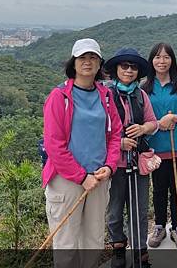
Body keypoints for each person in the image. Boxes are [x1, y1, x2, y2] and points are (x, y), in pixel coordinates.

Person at [42, 38, 122, 268]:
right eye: (82, 57)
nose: (87, 62)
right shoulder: (59, 97)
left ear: (99, 65)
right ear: (73, 63)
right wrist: (80, 177)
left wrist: (109, 166)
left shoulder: (105, 96)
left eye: (93, 58)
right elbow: (54, 145)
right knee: (66, 243)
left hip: (98, 178)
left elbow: (115, 134)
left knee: (94, 241)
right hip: (66, 181)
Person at [104, 48, 158, 268]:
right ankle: (118, 246)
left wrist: (143, 128)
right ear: (116, 69)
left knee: (139, 212)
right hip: (114, 164)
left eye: (133, 67)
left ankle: (139, 253)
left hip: (137, 163)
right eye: (124, 66)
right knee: (115, 211)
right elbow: (99, 129)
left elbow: (153, 124)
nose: (128, 70)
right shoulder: (105, 95)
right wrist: (119, 142)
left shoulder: (140, 95)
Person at [142, 43, 177, 251]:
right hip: (156, 147)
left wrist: (174, 117)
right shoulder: (144, 87)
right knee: (159, 189)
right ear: (151, 61)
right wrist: (156, 124)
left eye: (166, 57)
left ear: (172, 60)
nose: (161, 61)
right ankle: (159, 226)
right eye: (157, 57)